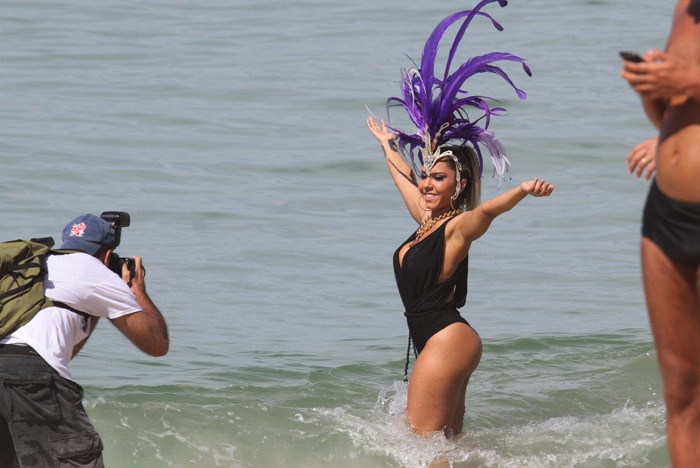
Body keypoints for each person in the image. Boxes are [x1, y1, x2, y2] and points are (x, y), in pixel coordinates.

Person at [367, 0, 554, 437]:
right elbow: (403, 179)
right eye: (427, 177)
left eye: (439, 178)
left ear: (460, 186)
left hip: (447, 340)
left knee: (419, 447)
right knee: (449, 449)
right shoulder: (425, 220)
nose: (427, 184)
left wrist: (523, 191)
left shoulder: (456, 228)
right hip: (444, 341)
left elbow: (487, 212)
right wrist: (387, 144)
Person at [0, 214, 169, 467]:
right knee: (77, 459)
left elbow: (64, 353)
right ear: (107, 253)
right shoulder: (96, 273)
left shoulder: (35, 266)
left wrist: (95, 309)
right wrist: (136, 289)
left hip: (10, 364)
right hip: (32, 374)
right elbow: (156, 344)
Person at [620, 1, 700, 466]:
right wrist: (654, 95)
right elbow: (675, 116)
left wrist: (688, 82)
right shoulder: (684, 8)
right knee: (682, 394)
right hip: (667, 214)